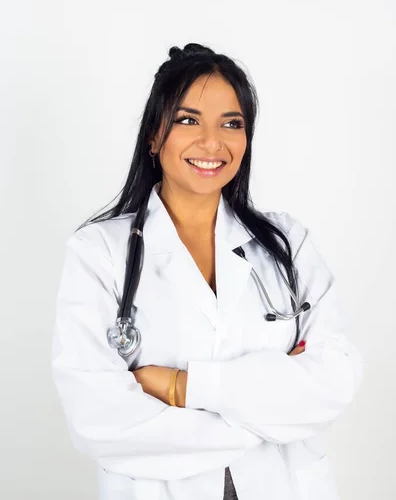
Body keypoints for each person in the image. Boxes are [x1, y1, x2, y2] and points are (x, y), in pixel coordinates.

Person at [51, 43, 364, 500]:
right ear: (155, 137)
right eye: (188, 120)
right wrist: (269, 417)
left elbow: (336, 380)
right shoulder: (99, 252)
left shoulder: (285, 244)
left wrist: (182, 387)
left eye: (231, 124)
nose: (212, 142)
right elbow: (99, 419)